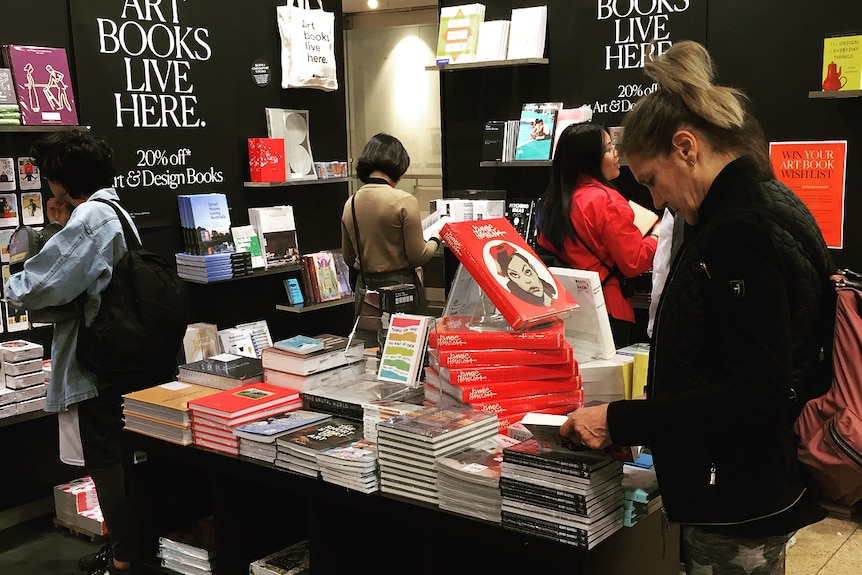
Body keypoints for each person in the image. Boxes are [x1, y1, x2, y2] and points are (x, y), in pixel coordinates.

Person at [559, 41, 834, 575]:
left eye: (652, 181)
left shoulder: (740, 232)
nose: (656, 201)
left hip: (737, 494)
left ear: (686, 147)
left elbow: (754, 393)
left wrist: (619, 419)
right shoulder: (758, 206)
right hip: (740, 482)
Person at [5, 130, 141, 575]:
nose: (48, 188)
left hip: (93, 363)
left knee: (106, 461)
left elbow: (36, 286)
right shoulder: (115, 211)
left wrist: (14, 275)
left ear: (65, 179)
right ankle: (124, 548)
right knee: (120, 458)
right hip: (121, 357)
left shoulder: (92, 218)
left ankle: (123, 558)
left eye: (51, 179)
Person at [535, 122, 659, 347]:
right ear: (590, 158)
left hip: (566, 311)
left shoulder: (550, 204)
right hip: (606, 309)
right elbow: (634, 261)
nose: (616, 154)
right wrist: (656, 236)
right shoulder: (606, 200)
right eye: (610, 148)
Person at [340, 133, 440, 347]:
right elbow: (418, 255)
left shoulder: (351, 202)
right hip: (402, 289)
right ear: (397, 166)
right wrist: (435, 239)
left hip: (366, 291)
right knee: (407, 354)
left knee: (369, 352)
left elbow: (349, 257)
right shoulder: (404, 201)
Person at [492, 242, 557, 306]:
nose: (528, 281)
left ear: (532, 268)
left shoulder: (554, 297)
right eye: (515, 275)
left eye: (527, 272)